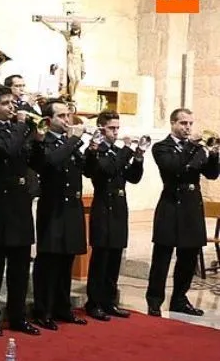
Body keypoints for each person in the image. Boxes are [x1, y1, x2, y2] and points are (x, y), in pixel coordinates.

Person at [0, 86, 44, 337]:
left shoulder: (18, 131)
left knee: (20, 266)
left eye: (12, 103)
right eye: (5, 103)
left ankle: (17, 315)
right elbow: (4, 151)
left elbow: (34, 162)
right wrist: (22, 127)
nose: (11, 107)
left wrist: (37, 142)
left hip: (20, 204)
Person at [145, 108, 220, 316]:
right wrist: (193, 148)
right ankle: (154, 301)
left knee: (188, 258)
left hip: (191, 207)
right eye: (183, 123)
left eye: (190, 124)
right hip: (170, 205)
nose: (187, 128)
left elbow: (212, 175)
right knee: (162, 257)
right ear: (173, 124)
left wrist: (213, 156)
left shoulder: (196, 148)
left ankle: (179, 299)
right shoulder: (161, 147)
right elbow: (174, 168)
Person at [29, 99, 89, 330]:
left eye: (68, 115)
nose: (67, 120)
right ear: (48, 120)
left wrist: (89, 150)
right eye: (61, 116)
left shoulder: (69, 143)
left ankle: (63, 307)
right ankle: (43, 309)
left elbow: (84, 169)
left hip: (71, 208)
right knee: (49, 261)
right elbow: (51, 163)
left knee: (67, 260)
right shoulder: (43, 142)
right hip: (53, 208)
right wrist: (74, 139)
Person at [83, 111, 144, 320]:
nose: (116, 132)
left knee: (115, 256)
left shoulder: (119, 152)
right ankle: (94, 302)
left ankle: (109, 301)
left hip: (119, 207)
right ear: (101, 128)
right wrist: (127, 150)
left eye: (118, 128)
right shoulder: (96, 151)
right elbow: (108, 170)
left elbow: (133, 178)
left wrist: (137, 159)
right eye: (112, 128)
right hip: (102, 206)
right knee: (101, 257)